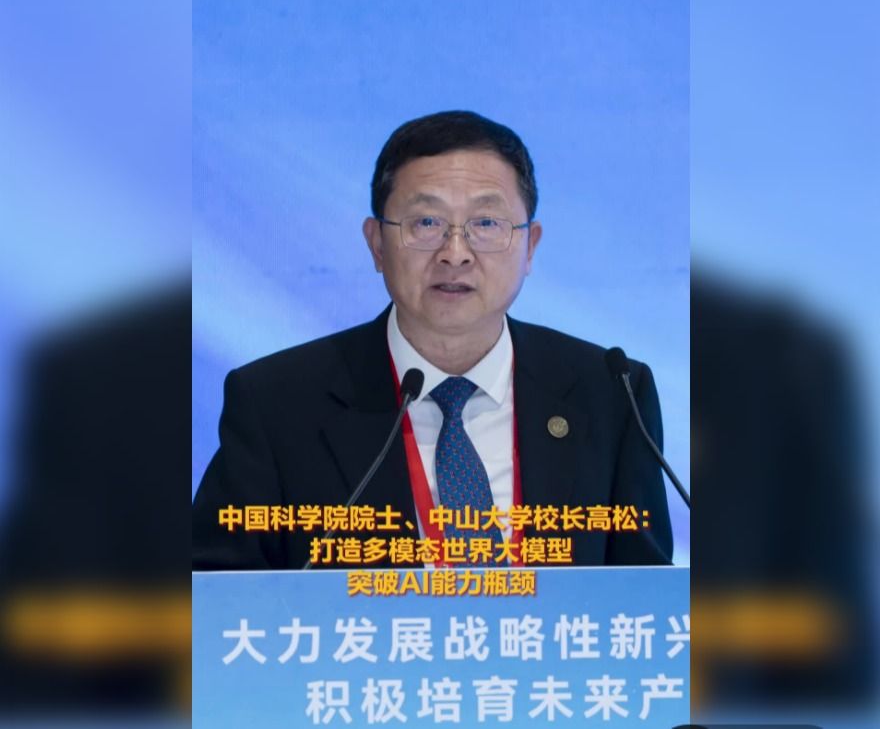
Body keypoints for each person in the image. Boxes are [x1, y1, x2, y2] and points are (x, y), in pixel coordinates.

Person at [192, 110, 672, 570]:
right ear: (377, 244)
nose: (455, 253)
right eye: (426, 223)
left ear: (530, 245)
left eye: (486, 224)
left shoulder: (613, 395)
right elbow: (216, 598)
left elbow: (648, 599)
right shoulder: (276, 404)